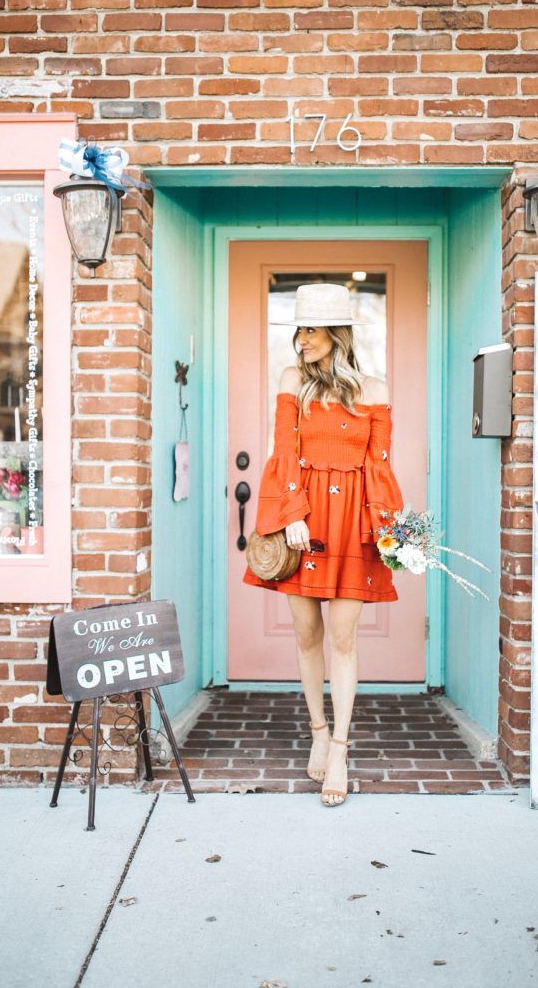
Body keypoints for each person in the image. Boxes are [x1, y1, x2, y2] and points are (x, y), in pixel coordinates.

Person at [243, 282, 405, 807]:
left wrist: (392, 532)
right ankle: (316, 728)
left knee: (343, 639)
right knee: (307, 633)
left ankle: (339, 746)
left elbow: (380, 468)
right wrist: (290, 511)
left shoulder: (375, 391)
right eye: (300, 329)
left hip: (352, 523)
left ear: (337, 334)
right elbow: (281, 452)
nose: (302, 339)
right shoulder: (293, 382)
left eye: (312, 329)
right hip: (304, 523)